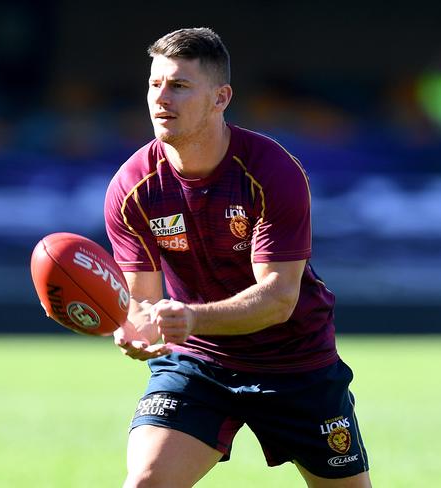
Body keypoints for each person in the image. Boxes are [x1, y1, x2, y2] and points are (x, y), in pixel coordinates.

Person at [104, 27, 371, 487]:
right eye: (154, 84)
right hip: (197, 364)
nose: (161, 98)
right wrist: (135, 330)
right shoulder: (131, 187)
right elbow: (141, 303)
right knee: (145, 481)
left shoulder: (272, 171)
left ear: (221, 97)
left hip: (296, 363)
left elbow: (279, 299)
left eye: (179, 85)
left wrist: (189, 318)